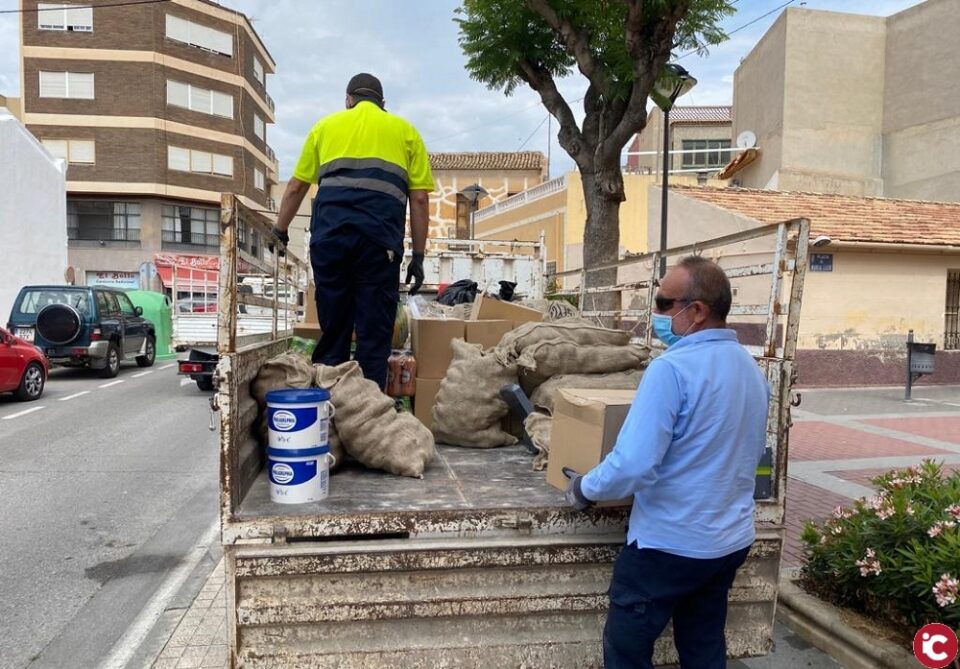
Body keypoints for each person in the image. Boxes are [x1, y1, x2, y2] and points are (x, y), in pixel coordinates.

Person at [564, 255, 770, 669]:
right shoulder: (752, 370)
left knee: (626, 652)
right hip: (727, 542)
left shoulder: (671, 370)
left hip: (669, 546)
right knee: (703, 645)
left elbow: (633, 465)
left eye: (662, 303)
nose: (655, 312)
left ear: (696, 311)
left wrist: (584, 488)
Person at [271, 73, 434, 388]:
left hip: (330, 241)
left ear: (348, 99)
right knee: (374, 333)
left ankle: (329, 408)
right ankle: (366, 410)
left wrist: (280, 229)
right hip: (379, 245)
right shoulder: (406, 132)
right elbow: (420, 199)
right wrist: (418, 255)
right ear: (382, 104)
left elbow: (295, 187)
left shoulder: (325, 128)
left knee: (335, 330)